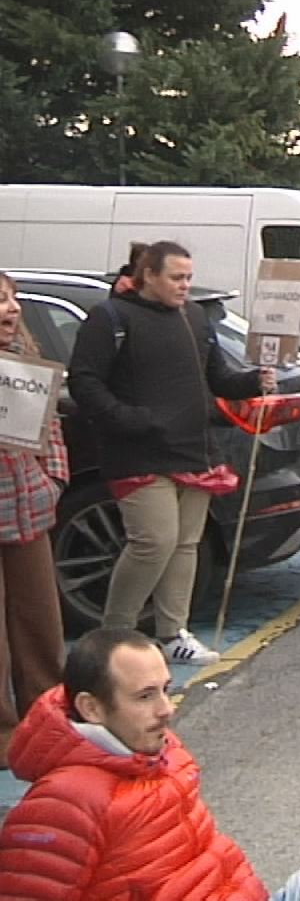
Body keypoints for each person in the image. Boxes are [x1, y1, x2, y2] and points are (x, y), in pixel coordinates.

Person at [0, 628, 300, 899]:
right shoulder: (63, 804)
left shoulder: (153, 752)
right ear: (92, 708)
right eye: (145, 696)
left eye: (166, 688)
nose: (167, 708)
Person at [66, 240, 273, 666]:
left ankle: (172, 631)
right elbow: (85, 383)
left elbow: (216, 376)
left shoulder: (194, 317)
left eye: (188, 278)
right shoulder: (111, 318)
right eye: (176, 278)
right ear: (149, 277)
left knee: (185, 544)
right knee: (153, 541)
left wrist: (253, 381)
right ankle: (115, 634)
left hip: (192, 449)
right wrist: (129, 419)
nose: (185, 286)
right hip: (138, 453)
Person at [0, 272, 66, 763]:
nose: (11, 309)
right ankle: (4, 733)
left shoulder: (26, 361)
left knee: (41, 622)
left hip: (29, 511)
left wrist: (54, 482)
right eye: (0, 301)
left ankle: (48, 719)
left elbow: (52, 430)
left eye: (12, 298)